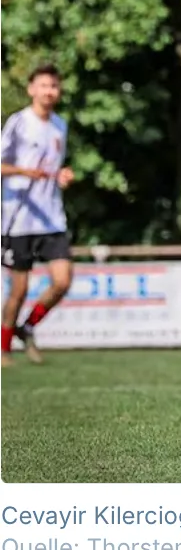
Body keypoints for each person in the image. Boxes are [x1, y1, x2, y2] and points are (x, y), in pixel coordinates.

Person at [1, 64, 76, 368]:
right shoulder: (19, 123)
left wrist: (62, 177)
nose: (49, 91)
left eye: (54, 86)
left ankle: (28, 326)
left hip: (51, 218)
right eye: (44, 85)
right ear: (31, 89)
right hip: (18, 219)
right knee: (18, 289)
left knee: (63, 280)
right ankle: (4, 348)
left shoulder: (59, 125)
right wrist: (23, 171)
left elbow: (53, 169)